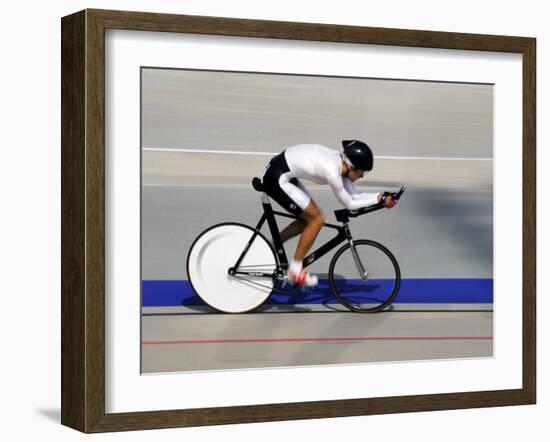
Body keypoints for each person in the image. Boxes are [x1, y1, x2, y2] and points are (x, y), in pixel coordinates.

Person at [261, 140, 397, 287]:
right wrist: (378, 199)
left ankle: (270, 246)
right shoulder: (332, 170)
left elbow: (355, 196)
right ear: (352, 167)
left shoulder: (340, 164)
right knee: (317, 219)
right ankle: (295, 269)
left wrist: (381, 196)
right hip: (277, 178)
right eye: (362, 172)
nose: (362, 176)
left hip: (281, 170)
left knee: (308, 219)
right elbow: (350, 204)